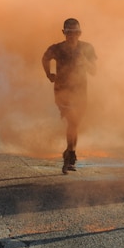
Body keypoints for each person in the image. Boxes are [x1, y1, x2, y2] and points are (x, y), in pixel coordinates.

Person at [42, 18, 97, 174]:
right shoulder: (57, 48)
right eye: (68, 33)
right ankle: (70, 157)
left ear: (79, 33)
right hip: (62, 91)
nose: (71, 36)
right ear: (63, 33)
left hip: (80, 92)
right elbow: (45, 58)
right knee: (72, 121)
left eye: (75, 33)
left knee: (75, 124)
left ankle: (69, 151)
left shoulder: (87, 48)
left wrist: (84, 62)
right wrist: (49, 74)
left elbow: (94, 71)